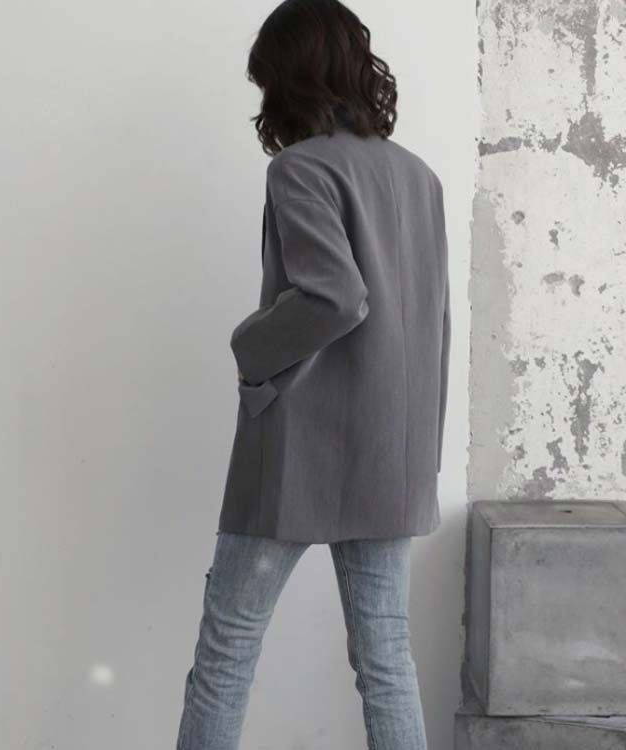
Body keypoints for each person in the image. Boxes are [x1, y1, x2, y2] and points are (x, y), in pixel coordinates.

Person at [175, 0, 451, 748]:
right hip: (392, 451)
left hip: (303, 448)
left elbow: (336, 297)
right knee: (386, 657)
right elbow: (433, 325)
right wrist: (421, 446)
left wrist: (250, 346)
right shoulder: (420, 177)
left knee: (228, 646)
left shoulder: (299, 168)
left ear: (288, 77)